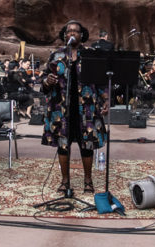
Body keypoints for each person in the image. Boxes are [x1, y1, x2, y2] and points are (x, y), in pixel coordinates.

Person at [40, 20, 107, 194]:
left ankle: (88, 181)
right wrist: (47, 82)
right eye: (68, 31)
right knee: (63, 145)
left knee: (87, 145)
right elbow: (44, 81)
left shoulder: (90, 55)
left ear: (82, 35)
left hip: (86, 109)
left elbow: (101, 81)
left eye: (75, 31)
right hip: (61, 109)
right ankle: (65, 181)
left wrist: (106, 99)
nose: (71, 33)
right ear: (64, 35)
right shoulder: (56, 56)